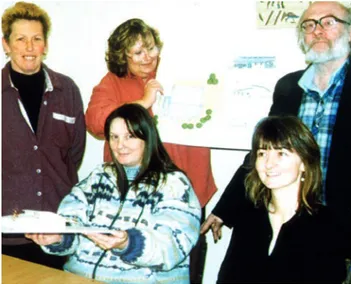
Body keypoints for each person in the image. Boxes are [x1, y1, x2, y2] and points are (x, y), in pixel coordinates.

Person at [202, 0, 351, 264]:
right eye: (309, 24)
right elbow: (263, 153)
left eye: (328, 22)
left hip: (342, 226)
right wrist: (226, 208)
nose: (317, 30)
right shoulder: (288, 86)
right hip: (281, 219)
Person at [85, 18, 216, 283]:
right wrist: (142, 103)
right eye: (138, 52)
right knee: (135, 263)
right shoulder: (113, 82)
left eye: (152, 48)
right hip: (134, 196)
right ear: (123, 56)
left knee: (183, 265)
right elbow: (95, 121)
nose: (148, 57)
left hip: (186, 190)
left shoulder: (179, 74)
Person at [26, 103, 201, 284]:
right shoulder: (99, 176)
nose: (120, 145)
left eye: (129, 136)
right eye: (114, 137)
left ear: (148, 138)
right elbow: (72, 219)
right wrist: (60, 237)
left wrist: (128, 244)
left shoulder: (173, 184)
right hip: (78, 278)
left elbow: (173, 245)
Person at [1, 1, 86, 270]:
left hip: (57, 228)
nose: (29, 47)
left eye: (36, 39)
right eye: (21, 39)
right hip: (8, 234)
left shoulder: (67, 90)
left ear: (45, 45)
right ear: (6, 44)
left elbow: (75, 152)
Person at [217, 116, 347, 283]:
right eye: (262, 153)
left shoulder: (326, 224)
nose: (269, 164)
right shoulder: (249, 215)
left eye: (281, 153)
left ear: (304, 163)